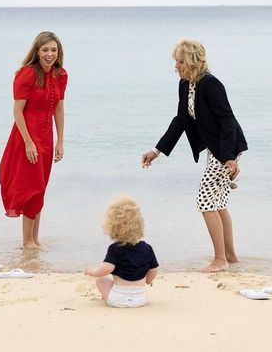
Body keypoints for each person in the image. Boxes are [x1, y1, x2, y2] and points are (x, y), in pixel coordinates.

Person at [141, 38, 248, 273]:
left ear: (190, 61)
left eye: (179, 61)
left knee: (205, 199)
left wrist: (230, 157)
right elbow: (180, 120)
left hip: (226, 148)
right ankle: (229, 256)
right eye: (175, 61)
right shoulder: (185, 84)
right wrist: (156, 151)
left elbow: (227, 119)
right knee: (217, 201)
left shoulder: (210, 84)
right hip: (216, 148)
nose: (176, 66)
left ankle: (220, 259)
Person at [0, 31, 67, 250]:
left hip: (47, 138)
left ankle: (34, 239)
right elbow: (17, 111)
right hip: (26, 137)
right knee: (32, 188)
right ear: (37, 51)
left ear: (59, 52)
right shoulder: (27, 74)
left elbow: (59, 108)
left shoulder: (60, 74)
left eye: (53, 50)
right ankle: (27, 241)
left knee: (41, 187)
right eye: (45, 50)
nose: (49, 54)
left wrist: (60, 141)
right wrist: (28, 142)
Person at [84, 195, 159, 308]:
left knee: (101, 280)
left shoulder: (115, 249)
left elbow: (106, 269)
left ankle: (106, 296)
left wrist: (92, 272)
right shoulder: (147, 248)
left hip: (118, 299)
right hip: (140, 298)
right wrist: (148, 281)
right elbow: (154, 269)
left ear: (112, 226)